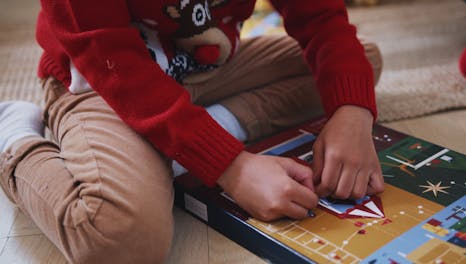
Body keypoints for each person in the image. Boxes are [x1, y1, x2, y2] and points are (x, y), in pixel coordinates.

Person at [0, 0, 384, 263]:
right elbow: (106, 56)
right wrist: (231, 166)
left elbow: (322, 19)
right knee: (118, 237)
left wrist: (352, 114)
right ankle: (13, 138)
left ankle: (202, 132)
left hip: (206, 69)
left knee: (357, 70)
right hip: (103, 81)